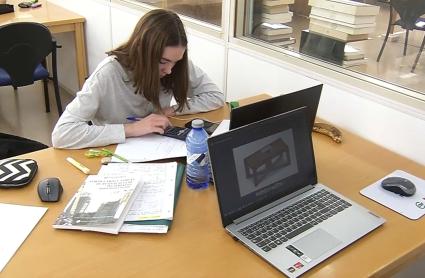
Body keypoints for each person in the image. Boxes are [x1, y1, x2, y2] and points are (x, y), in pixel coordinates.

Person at [52, 9, 224, 149]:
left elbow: (215, 96)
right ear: (143, 51)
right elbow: (62, 134)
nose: (170, 70)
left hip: (157, 149)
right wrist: (132, 129)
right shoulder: (108, 73)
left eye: (175, 61)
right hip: (114, 153)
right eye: (163, 62)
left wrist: (171, 110)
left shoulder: (175, 65)